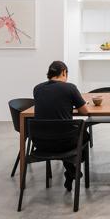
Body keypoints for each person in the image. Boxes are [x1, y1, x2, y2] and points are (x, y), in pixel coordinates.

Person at [32, 61, 89, 191]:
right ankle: (73, 167)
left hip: (40, 143)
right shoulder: (70, 88)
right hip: (65, 143)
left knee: (58, 131)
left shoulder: (37, 89)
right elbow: (84, 111)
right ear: (63, 72)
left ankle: (71, 171)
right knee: (84, 135)